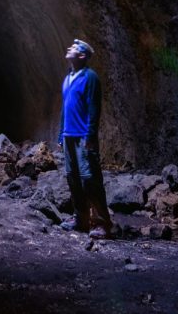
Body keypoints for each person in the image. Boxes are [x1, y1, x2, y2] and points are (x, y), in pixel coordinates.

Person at [57, 38, 114, 238]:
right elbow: (65, 108)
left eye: (74, 48)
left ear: (82, 55)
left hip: (83, 137)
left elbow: (93, 109)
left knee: (90, 179)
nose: (69, 48)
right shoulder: (68, 78)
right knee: (73, 178)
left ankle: (101, 223)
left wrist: (91, 135)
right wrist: (60, 133)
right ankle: (80, 219)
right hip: (69, 136)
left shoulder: (90, 77)